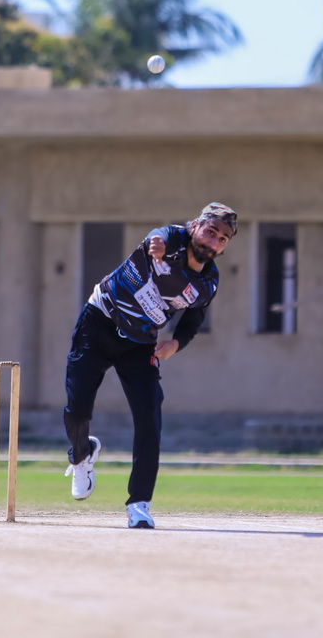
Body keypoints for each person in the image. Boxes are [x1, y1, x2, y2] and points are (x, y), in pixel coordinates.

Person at [63, 202, 238, 529]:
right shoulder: (170, 239)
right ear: (195, 226)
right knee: (77, 409)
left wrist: (176, 344)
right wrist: (155, 248)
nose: (213, 241)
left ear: (224, 248)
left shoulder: (208, 283)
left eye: (222, 239)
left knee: (149, 418)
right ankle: (82, 455)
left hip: (141, 343)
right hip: (99, 322)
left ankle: (139, 503)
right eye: (210, 231)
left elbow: (193, 320)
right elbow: (157, 238)